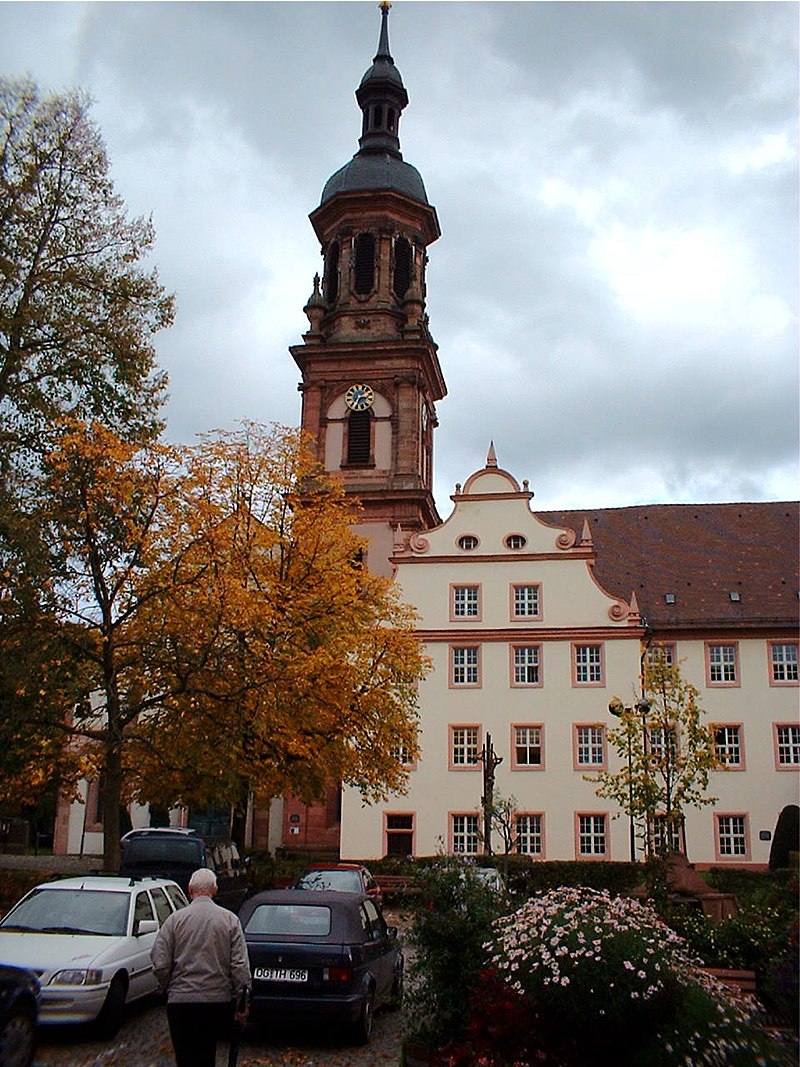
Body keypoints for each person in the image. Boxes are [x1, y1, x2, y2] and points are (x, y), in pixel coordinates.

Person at [152, 867, 251, 1067]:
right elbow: (240, 966)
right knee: (207, 1055)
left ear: (189, 890)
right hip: (217, 1001)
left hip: (181, 1002)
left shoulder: (174, 921)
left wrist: (168, 986)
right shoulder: (229, 920)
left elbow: (160, 962)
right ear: (215, 890)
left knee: (185, 1056)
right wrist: (243, 1002)